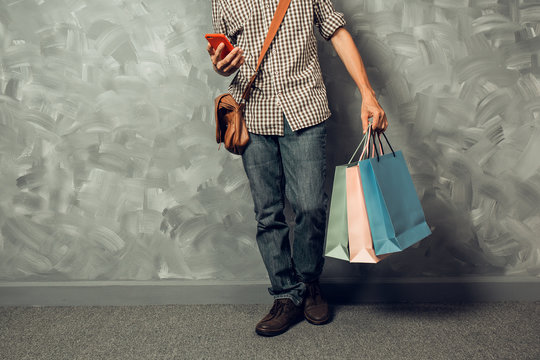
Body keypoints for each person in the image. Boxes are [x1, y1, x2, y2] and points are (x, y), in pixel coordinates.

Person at [207, 0, 387, 337]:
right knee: (268, 213)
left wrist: (368, 94)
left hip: (304, 105)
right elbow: (224, 57)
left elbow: (337, 31)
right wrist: (220, 65)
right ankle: (284, 295)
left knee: (310, 205)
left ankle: (309, 283)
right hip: (253, 112)